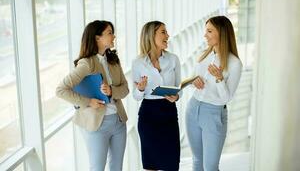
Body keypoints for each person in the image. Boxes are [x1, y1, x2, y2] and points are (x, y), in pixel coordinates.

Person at [56, 20, 129, 171]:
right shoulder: (86, 63)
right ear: (97, 38)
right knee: (97, 168)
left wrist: (111, 91)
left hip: (118, 122)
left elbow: (125, 89)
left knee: (117, 168)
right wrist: (88, 102)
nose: (113, 36)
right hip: (97, 125)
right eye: (109, 33)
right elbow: (61, 90)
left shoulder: (113, 60)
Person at [186, 15, 243, 171]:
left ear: (222, 33)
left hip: (213, 113)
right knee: (197, 161)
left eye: (209, 31)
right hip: (193, 108)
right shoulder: (204, 55)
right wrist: (193, 82)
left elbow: (227, 98)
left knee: (210, 166)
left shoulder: (234, 63)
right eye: (206, 31)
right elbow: (193, 80)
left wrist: (219, 79)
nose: (205, 35)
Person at [132, 21, 181, 171]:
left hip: (169, 113)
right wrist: (140, 89)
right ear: (151, 36)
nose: (168, 35)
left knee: (171, 164)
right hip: (149, 116)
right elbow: (136, 96)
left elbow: (179, 88)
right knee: (150, 165)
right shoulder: (138, 63)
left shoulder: (173, 59)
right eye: (163, 32)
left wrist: (176, 97)